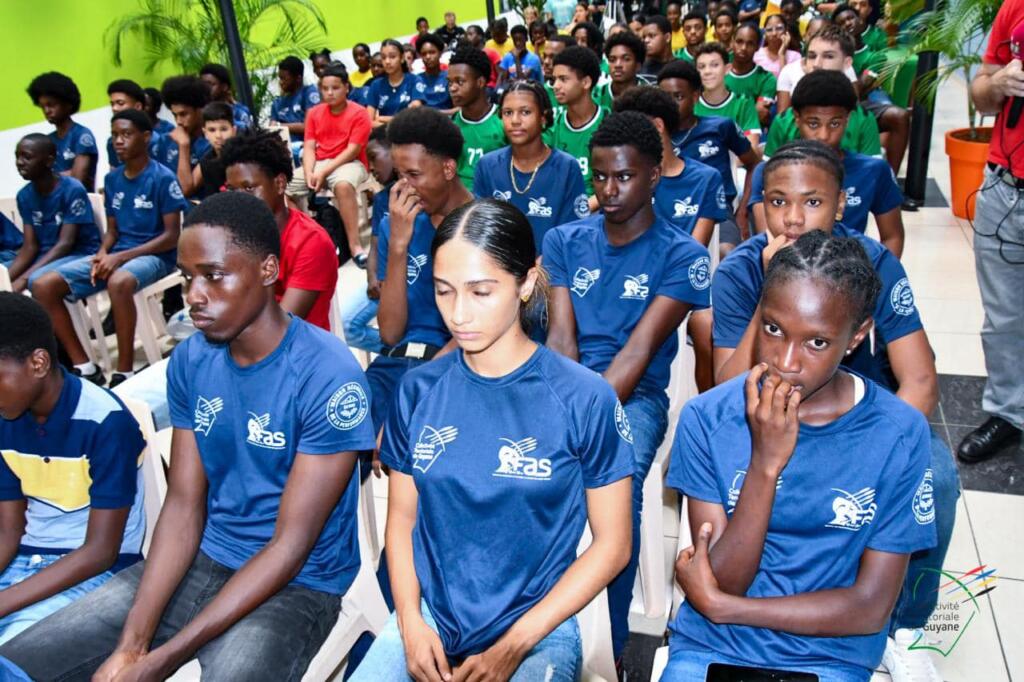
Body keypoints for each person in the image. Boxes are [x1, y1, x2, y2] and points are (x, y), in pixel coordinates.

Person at [0, 191, 377, 681]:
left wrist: (161, 660)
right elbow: (182, 505)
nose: (195, 294)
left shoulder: (328, 375)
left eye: (214, 275)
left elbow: (290, 546)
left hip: (299, 582)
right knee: (18, 664)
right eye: (188, 276)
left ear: (268, 270)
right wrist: (133, 644)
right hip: (205, 554)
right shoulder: (192, 361)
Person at [350, 199, 633, 682]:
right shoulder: (418, 390)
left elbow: (614, 544)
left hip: (538, 626)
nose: (458, 314)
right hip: (431, 616)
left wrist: (515, 644)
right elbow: (402, 521)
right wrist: (411, 622)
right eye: (443, 291)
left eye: (481, 291)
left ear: (526, 282)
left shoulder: (584, 398)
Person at [712, 141, 959, 680]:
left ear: (841, 204)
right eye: (777, 201)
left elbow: (920, 380)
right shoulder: (739, 269)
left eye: (812, 202)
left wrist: (880, 451)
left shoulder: (872, 263)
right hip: (765, 416)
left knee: (936, 477)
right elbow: (722, 391)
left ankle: (903, 626)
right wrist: (771, 291)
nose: (792, 218)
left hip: (864, 420)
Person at [662, 230, 936, 681]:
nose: (786, 361)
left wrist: (726, 608)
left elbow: (870, 607)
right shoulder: (708, 417)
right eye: (773, 329)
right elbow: (726, 578)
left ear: (857, 336)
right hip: (712, 647)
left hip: (830, 656)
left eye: (816, 343)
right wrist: (765, 465)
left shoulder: (899, 433)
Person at [545, 111, 712, 659]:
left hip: (634, 397)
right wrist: (556, 411)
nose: (609, 190)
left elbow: (638, 354)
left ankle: (608, 646)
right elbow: (561, 342)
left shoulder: (683, 255)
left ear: (654, 176)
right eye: (600, 176)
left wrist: (577, 423)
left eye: (624, 176)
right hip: (562, 384)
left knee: (618, 481)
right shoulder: (565, 239)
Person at [0, 293, 146, 645]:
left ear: (38, 363)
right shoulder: (6, 419)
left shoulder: (105, 423)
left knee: (12, 657)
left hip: (99, 575)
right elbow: (8, 530)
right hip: (26, 560)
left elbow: (101, 552)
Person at [31, 110, 188, 389]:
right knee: (44, 285)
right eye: (115, 135)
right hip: (119, 253)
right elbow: (112, 232)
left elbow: (171, 236)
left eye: (126, 134)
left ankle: (125, 370)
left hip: (156, 256)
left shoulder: (162, 178)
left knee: (119, 281)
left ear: (146, 137)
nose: (118, 141)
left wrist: (119, 257)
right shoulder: (113, 180)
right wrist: (103, 253)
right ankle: (84, 365)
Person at [614, 87, 727, 392]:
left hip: (681, 279)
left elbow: (695, 250)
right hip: (632, 276)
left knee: (704, 324)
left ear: (657, 126)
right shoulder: (628, 179)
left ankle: (706, 403)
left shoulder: (704, 178)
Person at [368, 107, 473, 429]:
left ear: (448, 168)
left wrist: (418, 387)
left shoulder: (484, 224)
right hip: (398, 360)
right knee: (343, 432)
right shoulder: (397, 224)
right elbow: (389, 332)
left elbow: (483, 330)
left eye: (414, 175)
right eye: (400, 176)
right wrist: (399, 245)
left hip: (460, 362)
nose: (405, 188)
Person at [959, 0, 1024, 463]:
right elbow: (980, 94)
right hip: (1005, 190)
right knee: (1003, 318)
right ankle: (1008, 412)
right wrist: (998, 83)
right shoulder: (1014, 8)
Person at [748, 70, 904, 256]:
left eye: (834, 124)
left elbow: (892, 236)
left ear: (847, 119)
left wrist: (881, 272)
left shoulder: (873, 170)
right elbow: (769, 240)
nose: (823, 135)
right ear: (797, 118)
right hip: (785, 266)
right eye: (813, 124)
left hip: (852, 267)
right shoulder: (769, 173)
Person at [222, 130, 338, 331]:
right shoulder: (237, 235)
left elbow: (279, 328)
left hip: (297, 344)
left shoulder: (310, 242)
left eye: (249, 188)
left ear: (279, 184)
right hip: (247, 334)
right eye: (232, 190)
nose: (238, 199)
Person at [474, 80, 590, 250]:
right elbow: (480, 230)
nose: (515, 120)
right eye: (508, 113)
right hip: (500, 262)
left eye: (525, 112)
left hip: (552, 263)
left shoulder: (567, 167)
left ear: (543, 117)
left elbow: (574, 231)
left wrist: (543, 262)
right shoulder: (487, 165)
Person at [658, 60, 759, 247]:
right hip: (666, 211)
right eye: (664, 98)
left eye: (678, 96)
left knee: (726, 252)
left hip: (718, 210)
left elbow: (754, 164)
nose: (670, 105)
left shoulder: (720, 127)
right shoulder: (654, 134)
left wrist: (743, 210)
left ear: (695, 96)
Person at [286, 63, 371, 264]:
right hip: (319, 163)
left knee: (343, 185)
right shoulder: (314, 113)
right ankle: (308, 237)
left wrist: (323, 172)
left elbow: (353, 151)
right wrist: (309, 172)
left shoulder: (359, 113)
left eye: (335, 88)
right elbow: (309, 147)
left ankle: (355, 246)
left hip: (350, 163)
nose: (330, 93)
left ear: (346, 87)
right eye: (325, 89)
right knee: (283, 188)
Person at [766, 26, 882, 158]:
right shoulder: (784, 121)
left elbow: (871, 169)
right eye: (811, 56)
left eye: (828, 56)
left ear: (847, 63)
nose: (817, 64)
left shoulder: (864, 120)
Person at [8, 135, 100, 294]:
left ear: (49, 161)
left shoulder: (72, 189)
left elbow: (65, 244)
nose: (20, 162)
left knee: (35, 280)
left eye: (27, 157)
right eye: (17, 156)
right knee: (4, 274)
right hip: (45, 255)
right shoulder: (24, 196)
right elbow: (30, 247)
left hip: (79, 254)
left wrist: (22, 280)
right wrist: (5, 280)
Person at [833, 4, 911, 176]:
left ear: (860, 20)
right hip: (834, 105)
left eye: (850, 18)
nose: (847, 23)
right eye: (841, 23)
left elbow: (859, 89)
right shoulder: (833, 54)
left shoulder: (874, 56)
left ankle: (889, 177)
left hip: (862, 103)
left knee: (899, 115)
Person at [341, 126, 393, 355]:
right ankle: (400, 351)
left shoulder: (422, 194)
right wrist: (372, 277)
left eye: (373, 158)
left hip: (408, 280)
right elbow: (375, 244)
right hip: (382, 281)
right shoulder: (382, 199)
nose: (370, 167)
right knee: (347, 326)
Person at [546, 46, 607, 198]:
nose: (555, 86)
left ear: (586, 82)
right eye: (554, 79)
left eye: (563, 79)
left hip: (599, 206)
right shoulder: (553, 127)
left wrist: (583, 208)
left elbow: (614, 184)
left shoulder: (608, 122)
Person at [26, 72, 97, 192]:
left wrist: (50, 177)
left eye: (51, 105)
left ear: (68, 104)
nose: (47, 111)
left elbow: (77, 180)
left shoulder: (82, 135)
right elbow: (38, 180)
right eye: (43, 107)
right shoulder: (47, 141)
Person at [448, 47, 507, 193]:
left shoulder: (504, 120)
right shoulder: (450, 126)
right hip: (459, 198)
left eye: (460, 81)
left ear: (480, 82)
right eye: (449, 82)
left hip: (497, 196)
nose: (452, 88)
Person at [695, 43, 762, 146]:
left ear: (727, 69)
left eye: (714, 65)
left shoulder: (744, 103)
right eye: (701, 67)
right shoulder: (691, 104)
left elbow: (751, 147)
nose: (707, 71)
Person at [174, 102, 235, 200]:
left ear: (233, 130)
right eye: (212, 130)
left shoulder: (244, 157)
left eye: (224, 129)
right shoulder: (207, 163)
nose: (218, 136)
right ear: (205, 133)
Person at [156, 75, 212, 176]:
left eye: (183, 114)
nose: (178, 121)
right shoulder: (165, 141)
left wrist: (183, 146)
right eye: (174, 115)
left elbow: (186, 186)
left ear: (199, 110)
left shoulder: (211, 143)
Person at [270, 56, 322, 165]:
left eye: (284, 78)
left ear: (298, 78)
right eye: (280, 78)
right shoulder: (277, 103)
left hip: (307, 147)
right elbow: (272, 129)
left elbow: (309, 126)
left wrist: (280, 126)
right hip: (284, 150)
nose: (281, 82)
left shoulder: (308, 93)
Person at [727, 24, 778, 128]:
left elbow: (760, 114)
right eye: (739, 42)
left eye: (750, 44)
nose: (743, 48)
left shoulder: (767, 79)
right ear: (732, 42)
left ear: (758, 47)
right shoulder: (716, 68)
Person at [366, 39, 426, 127]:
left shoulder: (415, 80)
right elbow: (369, 122)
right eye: (383, 57)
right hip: (384, 133)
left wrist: (384, 119)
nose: (387, 62)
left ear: (402, 58)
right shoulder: (376, 85)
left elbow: (414, 116)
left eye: (392, 57)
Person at [106, 80, 160, 171]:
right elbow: (113, 171)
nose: (114, 108)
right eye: (112, 104)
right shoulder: (112, 143)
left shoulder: (156, 142)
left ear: (138, 106)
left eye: (120, 103)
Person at [593, 30, 654, 111]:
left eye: (626, 59)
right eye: (612, 60)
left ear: (638, 65)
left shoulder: (651, 95)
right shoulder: (596, 95)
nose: (617, 65)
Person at [199, 63, 253, 131]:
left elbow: (246, 131)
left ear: (224, 87)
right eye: (202, 84)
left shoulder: (238, 112)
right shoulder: (199, 112)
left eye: (210, 84)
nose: (205, 88)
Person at [755, 13, 801, 78]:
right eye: (769, 30)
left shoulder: (796, 57)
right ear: (764, 34)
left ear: (786, 31)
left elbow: (787, 82)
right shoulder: (756, 55)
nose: (774, 33)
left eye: (779, 28)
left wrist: (782, 54)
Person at [416, 33, 453, 110]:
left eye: (432, 52)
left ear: (440, 53)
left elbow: (459, 108)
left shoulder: (450, 76)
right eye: (424, 54)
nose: (428, 57)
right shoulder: (416, 80)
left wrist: (436, 114)